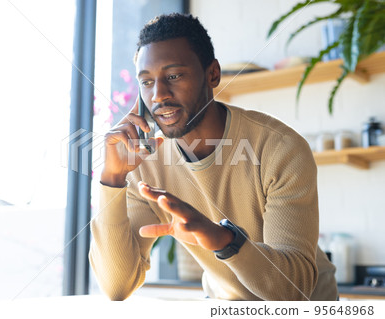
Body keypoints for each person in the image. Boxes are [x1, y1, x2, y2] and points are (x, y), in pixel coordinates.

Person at [90, 13, 337, 301]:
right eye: (147, 82)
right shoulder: (145, 163)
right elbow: (116, 286)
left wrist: (226, 241)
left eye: (173, 76)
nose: (158, 95)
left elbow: (293, 291)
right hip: (224, 305)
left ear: (213, 74)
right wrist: (113, 178)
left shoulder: (280, 148)